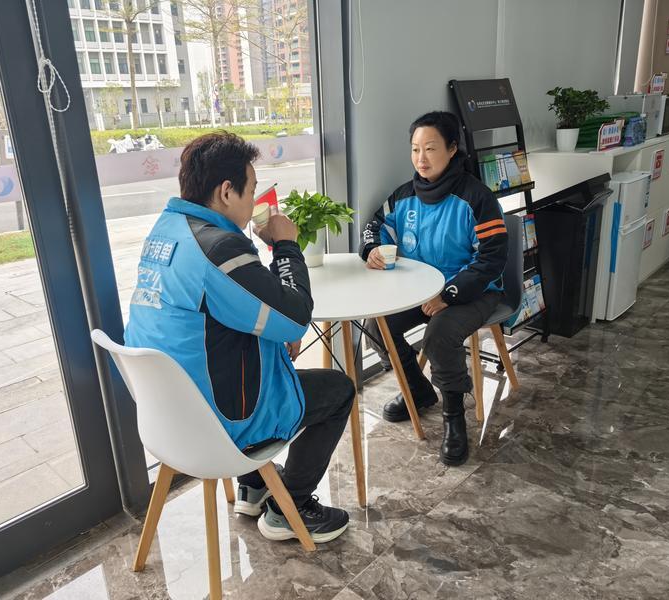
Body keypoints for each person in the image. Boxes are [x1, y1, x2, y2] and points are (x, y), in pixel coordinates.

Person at [125, 132, 353, 543]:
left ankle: (254, 486)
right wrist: (286, 245)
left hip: (168, 418)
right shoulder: (219, 248)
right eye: (251, 190)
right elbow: (295, 318)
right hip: (219, 425)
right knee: (339, 390)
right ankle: (291, 508)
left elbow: (224, 314)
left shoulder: (166, 230)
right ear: (226, 191)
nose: (253, 202)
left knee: (253, 356)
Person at [360, 111, 508, 467]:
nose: (421, 158)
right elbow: (374, 227)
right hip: (419, 291)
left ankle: (454, 417)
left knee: (440, 334)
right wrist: (372, 250)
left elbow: (492, 259)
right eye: (415, 149)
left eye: (430, 149)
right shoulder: (403, 196)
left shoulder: (477, 198)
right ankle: (418, 391)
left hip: (475, 291)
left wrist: (450, 294)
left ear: (452, 149)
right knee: (376, 326)